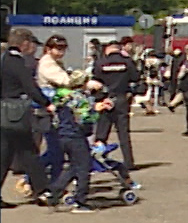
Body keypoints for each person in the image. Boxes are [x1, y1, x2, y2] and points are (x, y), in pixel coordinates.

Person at [42, 35, 112, 212]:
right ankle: (80, 201)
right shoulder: (80, 98)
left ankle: (54, 193)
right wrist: (99, 108)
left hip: (62, 135)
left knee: (74, 165)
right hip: (75, 135)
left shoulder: (61, 96)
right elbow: (86, 117)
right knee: (83, 167)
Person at [2, 28, 57, 205]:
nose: (33, 48)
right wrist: (46, 103)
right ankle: (43, 191)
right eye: (32, 44)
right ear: (24, 43)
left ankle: (41, 190)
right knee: (29, 152)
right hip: (16, 113)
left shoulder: (3, 59)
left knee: (5, 155)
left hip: (3, 112)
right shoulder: (17, 62)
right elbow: (30, 87)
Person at [92, 38, 140, 172]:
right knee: (123, 132)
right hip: (122, 98)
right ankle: (129, 162)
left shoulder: (101, 62)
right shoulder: (127, 62)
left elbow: (95, 79)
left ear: (108, 49)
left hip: (105, 100)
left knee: (101, 133)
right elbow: (135, 77)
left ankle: (96, 161)